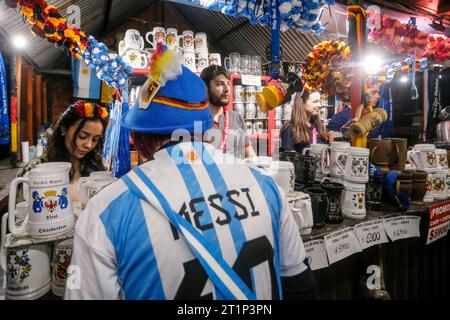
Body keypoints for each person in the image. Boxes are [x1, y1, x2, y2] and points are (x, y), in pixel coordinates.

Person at [65, 46, 317, 300]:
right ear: (208, 128)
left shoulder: (105, 212)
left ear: (138, 138)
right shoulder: (267, 187)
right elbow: (300, 286)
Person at [17, 101, 109, 201]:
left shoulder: (98, 166)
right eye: (82, 136)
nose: (89, 145)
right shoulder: (35, 171)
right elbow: (21, 212)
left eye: (95, 139)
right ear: (64, 129)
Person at [200, 65, 256, 159]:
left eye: (228, 83)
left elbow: (249, 151)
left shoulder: (236, 117)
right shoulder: (195, 119)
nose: (227, 89)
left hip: (232, 172)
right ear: (205, 88)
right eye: (219, 84)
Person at [280, 88, 328, 155]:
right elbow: (289, 160)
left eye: (320, 101)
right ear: (302, 103)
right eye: (315, 102)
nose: (319, 105)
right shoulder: (291, 128)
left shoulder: (317, 126)